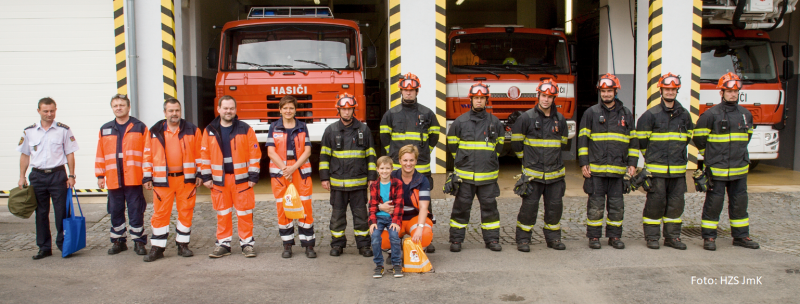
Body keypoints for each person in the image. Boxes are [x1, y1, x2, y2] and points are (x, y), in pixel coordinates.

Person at [693, 72, 759, 251]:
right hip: (717, 169)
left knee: (740, 204)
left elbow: (747, 138)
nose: (732, 94)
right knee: (714, 204)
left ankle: (741, 236)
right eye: (729, 91)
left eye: (735, 91)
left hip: (739, 169)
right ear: (721, 92)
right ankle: (709, 238)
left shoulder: (745, 115)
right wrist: (711, 156)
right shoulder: (710, 115)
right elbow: (698, 138)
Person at [578, 73, 637, 250]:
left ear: (616, 91)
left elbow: (633, 141)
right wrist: (583, 163)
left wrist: (632, 163)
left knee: (616, 206)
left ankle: (614, 236)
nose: (606, 94)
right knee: (595, 206)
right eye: (603, 91)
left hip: (618, 171)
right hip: (596, 170)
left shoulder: (626, 114)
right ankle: (594, 237)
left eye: (609, 91)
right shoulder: (591, 113)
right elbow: (582, 140)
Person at [636, 73, 694, 250]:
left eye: (673, 89)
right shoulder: (650, 115)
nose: (670, 92)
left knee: (676, 206)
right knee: (655, 204)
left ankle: (672, 237)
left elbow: (687, 138)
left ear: (677, 91)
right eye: (667, 89)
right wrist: (653, 159)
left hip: (677, 171)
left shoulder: (684, 116)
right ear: (661, 90)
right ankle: (652, 237)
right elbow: (642, 142)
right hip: (657, 171)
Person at [142, 98, 203, 262]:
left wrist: (200, 174)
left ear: (180, 111)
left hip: (186, 179)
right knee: (160, 213)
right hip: (162, 180)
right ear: (165, 112)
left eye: (177, 110)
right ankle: (158, 247)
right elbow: (147, 155)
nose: (174, 114)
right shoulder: (154, 131)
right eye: (171, 110)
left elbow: (201, 154)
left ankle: (183, 245)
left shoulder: (192, 130)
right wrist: (147, 175)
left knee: (186, 211)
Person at [200, 95, 262, 258]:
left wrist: (253, 176)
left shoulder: (245, 129)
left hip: (241, 180)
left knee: (244, 213)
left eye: (231, 108)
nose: (228, 111)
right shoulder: (209, 130)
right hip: (220, 181)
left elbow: (255, 153)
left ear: (235, 110)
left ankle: (247, 244)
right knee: (223, 213)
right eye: (225, 108)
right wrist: (206, 177)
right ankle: (223, 244)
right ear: (219, 109)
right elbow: (204, 154)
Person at [446, 82, 505, 252]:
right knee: (461, 208)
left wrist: (489, 159)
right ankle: (456, 240)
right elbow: (452, 145)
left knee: (490, 209)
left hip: (487, 177)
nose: (479, 101)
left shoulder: (495, 122)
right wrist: (462, 163)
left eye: (482, 98)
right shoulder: (460, 121)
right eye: (476, 98)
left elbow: (499, 146)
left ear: (487, 100)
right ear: (470, 99)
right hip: (465, 177)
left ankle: (492, 240)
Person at [511, 79, 568, 252]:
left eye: (550, 97)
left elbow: (563, 144)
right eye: (543, 96)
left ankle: (553, 239)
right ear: (538, 96)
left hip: (555, 175)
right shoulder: (526, 118)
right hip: (533, 175)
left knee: (554, 208)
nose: (546, 99)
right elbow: (516, 144)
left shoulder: (560, 119)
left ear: (554, 98)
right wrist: (527, 162)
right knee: (529, 208)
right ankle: (523, 239)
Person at [18, 97, 79, 260]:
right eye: (45, 111)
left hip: (58, 175)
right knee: (41, 213)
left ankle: (64, 245)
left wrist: (71, 175)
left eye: (52, 110)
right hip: (37, 176)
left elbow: (70, 154)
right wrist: (21, 176)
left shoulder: (63, 130)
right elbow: (25, 155)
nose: (49, 114)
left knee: (62, 212)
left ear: (55, 110)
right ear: (38, 111)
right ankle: (44, 248)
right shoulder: (29, 131)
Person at [319, 93, 377, 257]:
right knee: (337, 217)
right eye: (343, 109)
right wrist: (324, 178)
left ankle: (364, 246)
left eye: (349, 109)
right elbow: (324, 156)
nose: (346, 112)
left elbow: (371, 155)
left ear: (353, 110)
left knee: (361, 217)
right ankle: (337, 245)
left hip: (359, 184)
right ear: (339, 110)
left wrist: (372, 178)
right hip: (338, 184)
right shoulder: (330, 131)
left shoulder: (364, 130)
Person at [95, 94, 149, 256]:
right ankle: (118, 241)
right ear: (112, 108)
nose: (118, 108)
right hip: (113, 178)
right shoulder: (105, 129)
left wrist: (147, 176)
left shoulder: (139, 127)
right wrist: (100, 175)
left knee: (136, 210)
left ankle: (138, 242)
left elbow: (147, 154)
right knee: (115, 210)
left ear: (128, 107)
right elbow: (100, 153)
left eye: (122, 105)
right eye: (115, 105)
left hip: (133, 178)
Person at [266, 96, 315, 259]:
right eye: (285, 108)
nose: (288, 111)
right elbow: (270, 152)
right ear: (280, 109)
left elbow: (307, 151)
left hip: (300, 172)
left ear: (295, 110)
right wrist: (285, 169)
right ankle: (287, 245)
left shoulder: (302, 127)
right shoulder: (273, 127)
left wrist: (293, 167)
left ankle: (308, 245)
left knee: (305, 207)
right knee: (283, 208)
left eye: (291, 108)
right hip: (281, 174)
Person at [380, 72, 440, 189]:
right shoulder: (391, 114)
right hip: (398, 167)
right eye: (405, 90)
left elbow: (435, 136)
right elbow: (384, 137)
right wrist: (393, 152)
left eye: (412, 90)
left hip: (421, 165)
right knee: (398, 202)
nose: (408, 93)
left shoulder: (427, 113)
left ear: (417, 91)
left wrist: (425, 151)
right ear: (401, 91)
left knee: (423, 202)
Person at [378, 144, 435, 254]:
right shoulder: (390, 177)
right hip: (394, 218)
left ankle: (415, 249)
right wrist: (380, 206)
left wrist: (420, 228)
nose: (408, 164)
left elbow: (424, 207)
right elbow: (375, 200)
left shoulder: (422, 180)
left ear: (416, 161)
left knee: (424, 234)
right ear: (399, 160)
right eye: (405, 160)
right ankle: (393, 250)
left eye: (411, 160)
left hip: (414, 218)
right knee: (380, 237)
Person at [369, 156, 404, 278]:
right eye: (382, 168)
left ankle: (396, 264)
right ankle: (379, 265)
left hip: (392, 218)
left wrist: (396, 222)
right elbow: (372, 205)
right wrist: (372, 222)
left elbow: (399, 205)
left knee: (394, 237)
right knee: (375, 237)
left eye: (387, 168)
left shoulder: (397, 183)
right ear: (377, 169)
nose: (384, 171)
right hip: (378, 218)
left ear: (392, 169)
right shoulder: (374, 185)